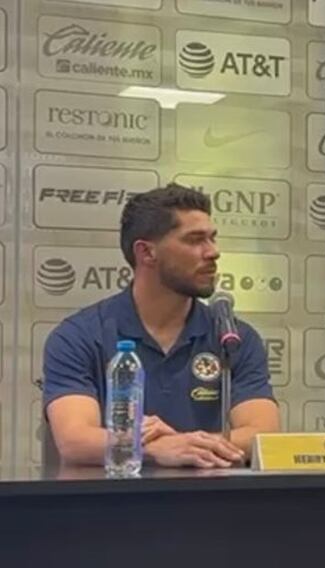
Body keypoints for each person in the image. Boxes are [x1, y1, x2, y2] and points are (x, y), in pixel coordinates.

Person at [43, 184, 280, 468]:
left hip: (211, 505)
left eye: (212, 239)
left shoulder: (233, 337)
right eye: (195, 240)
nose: (213, 252)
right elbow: (75, 441)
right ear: (146, 253)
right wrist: (157, 449)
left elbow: (262, 434)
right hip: (111, 506)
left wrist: (181, 444)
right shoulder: (79, 336)